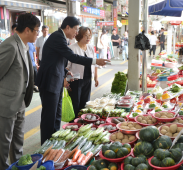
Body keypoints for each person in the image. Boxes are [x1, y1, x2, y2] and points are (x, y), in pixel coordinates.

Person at [35, 16, 109, 145]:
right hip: (49, 82)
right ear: (67, 27)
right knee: (49, 117)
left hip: (56, 81)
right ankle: (45, 146)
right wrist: (95, 61)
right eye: (75, 29)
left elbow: (57, 60)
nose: (76, 32)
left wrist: (65, 72)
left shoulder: (62, 38)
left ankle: (54, 141)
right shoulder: (58, 37)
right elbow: (72, 57)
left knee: (57, 116)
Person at [0, 13, 39, 169]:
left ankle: (17, 167)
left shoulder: (25, 45)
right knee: (3, 144)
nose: (38, 33)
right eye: (37, 30)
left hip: (21, 102)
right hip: (7, 104)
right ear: (27, 30)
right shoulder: (10, 45)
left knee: (17, 142)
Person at [67, 26, 99, 119]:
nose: (88, 37)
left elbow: (95, 63)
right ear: (79, 35)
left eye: (89, 35)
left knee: (85, 103)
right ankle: (73, 124)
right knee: (75, 104)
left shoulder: (91, 48)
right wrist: (67, 81)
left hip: (88, 79)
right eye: (86, 35)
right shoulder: (72, 48)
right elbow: (67, 67)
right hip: (75, 80)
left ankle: (83, 122)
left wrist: (96, 77)